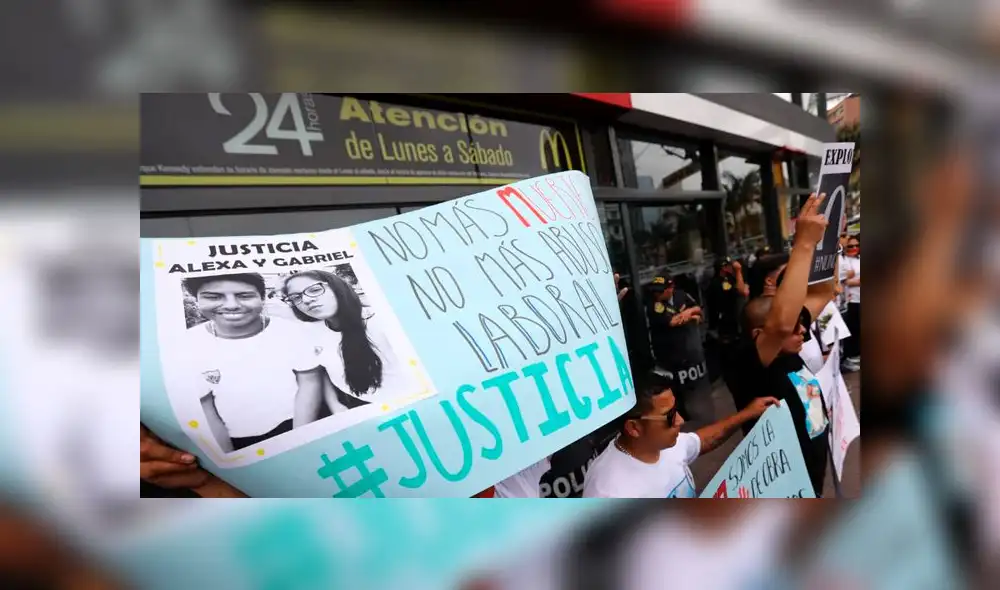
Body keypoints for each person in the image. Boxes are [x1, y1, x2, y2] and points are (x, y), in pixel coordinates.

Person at [726, 193, 837, 497]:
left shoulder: (789, 342)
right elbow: (781, 325)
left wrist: (830, 243)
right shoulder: (745, 364)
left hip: (813, 461)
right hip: (784, 480)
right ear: (760, 334)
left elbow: (823, 293)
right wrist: (803, 244)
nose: (803, 331)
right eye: (794, 327)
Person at [180, 273, 325, 453]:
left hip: (296, 422)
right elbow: (205, 406)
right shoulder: (187, 344)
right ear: (196, 299)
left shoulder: (290, 331)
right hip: (235, 438)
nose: (231, 305)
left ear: (262, 298)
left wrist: (300, 437)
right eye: (213, 297)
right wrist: (230, 457)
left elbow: (309, 381)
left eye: (244, 295)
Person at [582, 371, 778, 498]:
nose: (680, 421)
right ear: (634, 428)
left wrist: (747, 413)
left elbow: (702, 440)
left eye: (676, 410)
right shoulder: (608, 492)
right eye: (669, 416)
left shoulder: (661, 443)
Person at [281, 269, 415, 416]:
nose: (306, 300)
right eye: (295, 297)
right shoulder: (310, 329)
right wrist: (335, 405)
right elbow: (321, 370)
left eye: (314, 290)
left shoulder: (383, 323)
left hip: (402, 405)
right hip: (351, 403)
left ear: (338, 288)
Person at [645, 275, 714, 429]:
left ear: (670, 288)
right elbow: (672, 321)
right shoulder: (654, 305)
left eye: (661, 291)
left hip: (689, 351)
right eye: (656, 291)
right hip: (669, 355)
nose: (657, 294)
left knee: (693, 391)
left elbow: (698, 311)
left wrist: (687, 314)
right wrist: (689, 315)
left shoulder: (681, 295)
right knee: (675, 390)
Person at [841, 235, 861, 371]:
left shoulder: (859, 259)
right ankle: (853, 355)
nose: (854, 248)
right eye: (851, 246)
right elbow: (845, 280)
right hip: (851, 300)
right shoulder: (844, 260)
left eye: (856, 245)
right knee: (853, 328)